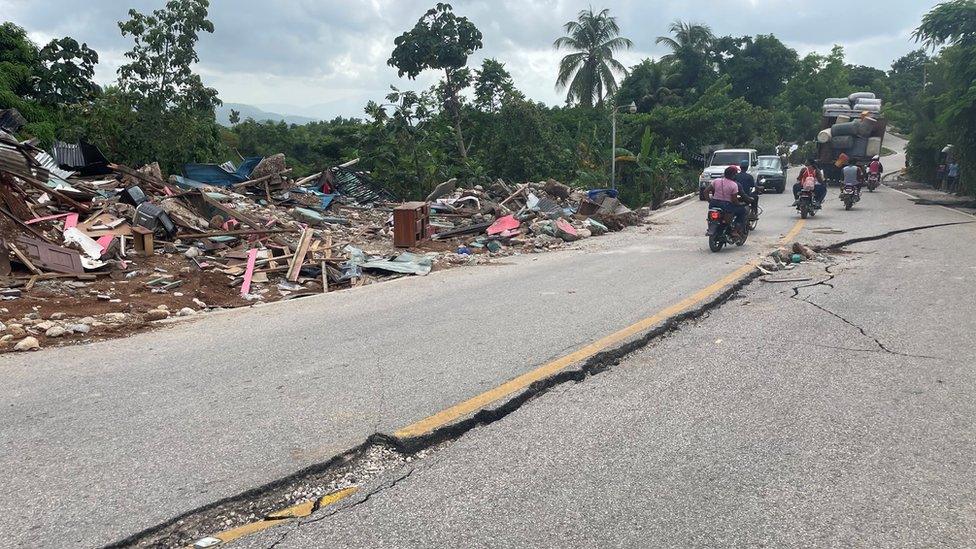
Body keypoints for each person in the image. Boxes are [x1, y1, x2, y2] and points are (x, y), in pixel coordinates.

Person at [706, 165, 747, 236]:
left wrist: (710, 201)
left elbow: (705, 191)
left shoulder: (716, 181)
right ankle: (734, 231)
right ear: (733, 175)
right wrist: (740, 204)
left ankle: (711, 227)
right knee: (742, 211)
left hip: (714, 204)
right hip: (726, 206)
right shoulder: (734, 185)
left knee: (711, 217)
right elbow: (734, 200)